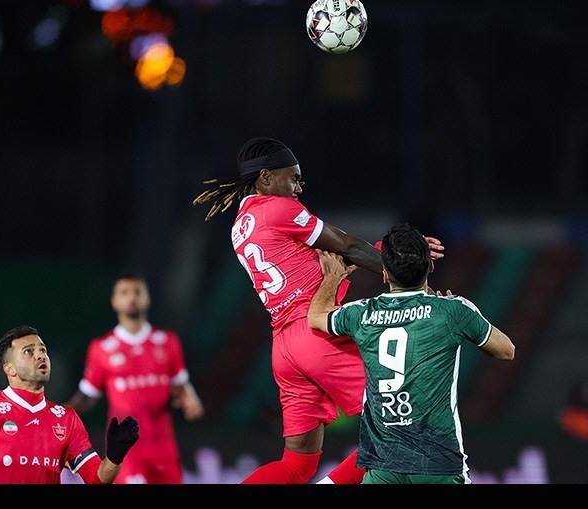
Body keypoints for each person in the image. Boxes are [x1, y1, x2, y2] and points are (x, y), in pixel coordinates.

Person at [192, 137, 445, 484]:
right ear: (266, 177)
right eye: (293, 179)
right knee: (404, 422)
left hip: (285, 346)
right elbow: (348, 247)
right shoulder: (278, 209)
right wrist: (405, 267)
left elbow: (326, 259)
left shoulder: (242, 223)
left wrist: (390, 250)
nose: (298, 188)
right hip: (317, 332)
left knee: (297, 465)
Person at [307, 222, 515, 484]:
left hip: (384, 469)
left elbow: (316, 317)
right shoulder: (453, 311)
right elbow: (506, 351)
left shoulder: (362, 314)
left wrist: (333, 277)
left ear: (384, 274)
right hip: (438, 466)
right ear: (430, 267)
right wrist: (463, 315)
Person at [0, 324, 139, 484]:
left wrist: (114, 457)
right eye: (28, 351)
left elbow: (96, 478)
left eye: (43, 350)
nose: (40, 355)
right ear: (9, 369)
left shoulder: (66, 418)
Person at [66, 273, 204, 484]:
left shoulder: (168, 342)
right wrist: (57, 417)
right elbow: (86, 396)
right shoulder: (102, 348)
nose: (131, 297)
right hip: (127, 450)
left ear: (147, 298)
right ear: (114, 301)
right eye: (124, 292)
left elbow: (181, 385)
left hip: (164, 447)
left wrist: (191, 401)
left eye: (137, 292)